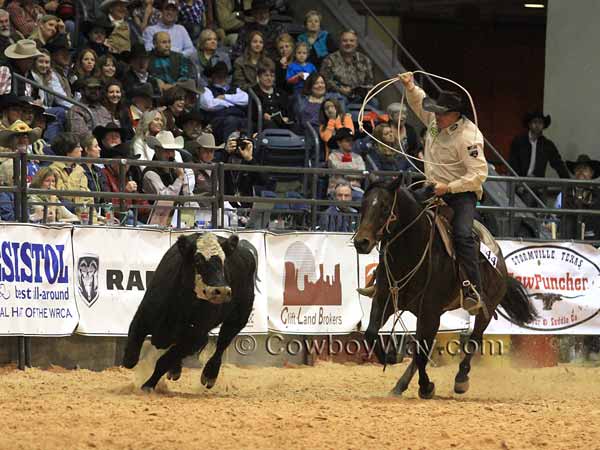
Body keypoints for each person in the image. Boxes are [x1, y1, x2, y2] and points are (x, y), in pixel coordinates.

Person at [398, 71, 488, 314]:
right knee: (399, 217)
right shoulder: (437, 123)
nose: (435, 116)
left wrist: (448, 187)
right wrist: (410, 86)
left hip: (460, 195)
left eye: (440, 113)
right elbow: (419, 102)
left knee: (461, 234)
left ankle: (472, 289)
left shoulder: (468, 138)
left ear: (455, 115)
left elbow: (478, 174)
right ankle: (384, 278)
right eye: (435, 112)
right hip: (432, 189)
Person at [509, 110, 569, 178]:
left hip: (538, 185)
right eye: (535, 122)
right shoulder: (519, 141)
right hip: (519, 182)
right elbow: (513, 164)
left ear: (543, 126)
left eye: (540, 122)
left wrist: (569, 183)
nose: (537, 125)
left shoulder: (547, 145)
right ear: (529, 124)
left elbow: (558, 164)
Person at [199, 61, 248, 144]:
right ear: (212, 76)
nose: (221, 77)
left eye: (223, 75)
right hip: (218, 121)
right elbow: (209, 104)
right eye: (218, 75)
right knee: (231, 121)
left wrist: (225, 97)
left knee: (247, 122)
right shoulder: (207, 90)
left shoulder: (235, 89)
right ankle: (227, 149)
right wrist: (231, 103)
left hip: (239, 118)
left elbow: (245, 99)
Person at [320, 30, 374, 104]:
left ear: (356, 43)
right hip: (338, 94)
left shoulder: (365, 60)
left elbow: (369, 81)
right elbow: (325, 80)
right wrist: (340, 90)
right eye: (345, 41)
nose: (348, 43)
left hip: (360, 96)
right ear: (340, 43)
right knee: (338, 100)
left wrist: (365, 92)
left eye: (352, 41)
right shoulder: (329, 59)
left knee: (374, 102)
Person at [252, 59, 290, 131]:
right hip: (262, 125)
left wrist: (286, 117)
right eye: (266, 75)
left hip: (281, 124)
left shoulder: (281, 93)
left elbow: (287, 111)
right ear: (259, 77)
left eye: (272, 76)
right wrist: (263, 115)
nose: (269, 78)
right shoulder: (253, 92)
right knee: (270, 125)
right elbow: (252, 113)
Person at [327, 127, 365, 198]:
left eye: (352, 140)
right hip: (336, 189)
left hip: (355, 189)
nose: (351, 143)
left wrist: (346, 174)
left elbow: (362, 174)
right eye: (347, 141)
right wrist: (355, 170)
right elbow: (339, 169)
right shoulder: (333, 156)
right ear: (339, 143)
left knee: (363, 198)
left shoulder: (358, 157)